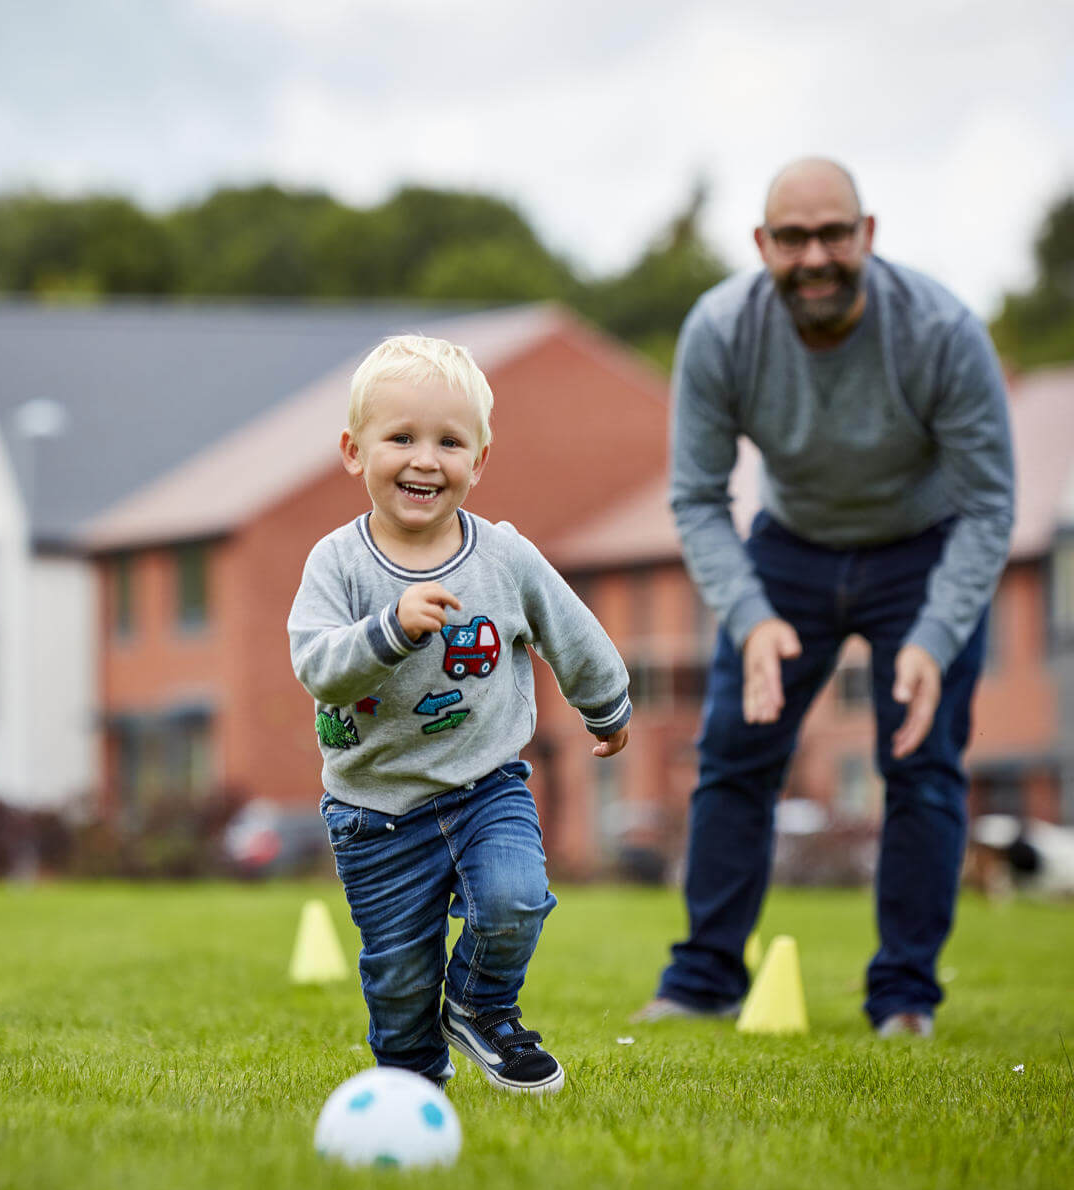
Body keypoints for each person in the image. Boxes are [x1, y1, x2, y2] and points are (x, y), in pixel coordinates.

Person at [635, 158, 1015, 1038]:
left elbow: (991, 503)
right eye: (794, 237)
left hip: (925, 550)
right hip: (789, 553)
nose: (816, 256)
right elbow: (697, 497)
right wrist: (752, 618)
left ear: (868, 236)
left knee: (922, 767)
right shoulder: (721, 332)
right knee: (734, 755)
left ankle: (905, 996)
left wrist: (934, 634)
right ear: (763, 245)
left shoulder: (943, 332)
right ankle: (703, 979)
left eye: (834, 234)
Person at [288, 334, 632, 1093]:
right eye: (400, 437)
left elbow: (570, 629)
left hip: (486, 785)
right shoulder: (336, 564)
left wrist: (604, 704)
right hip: (374, 810)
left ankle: (480, 1006)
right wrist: (391, 627)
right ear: (354, 451)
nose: (424, 459)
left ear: (479, 460)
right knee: (400, 981)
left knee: (514, 898)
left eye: (449, 441)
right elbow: (316, 666)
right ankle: (413, 1090)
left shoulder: (503, 558)